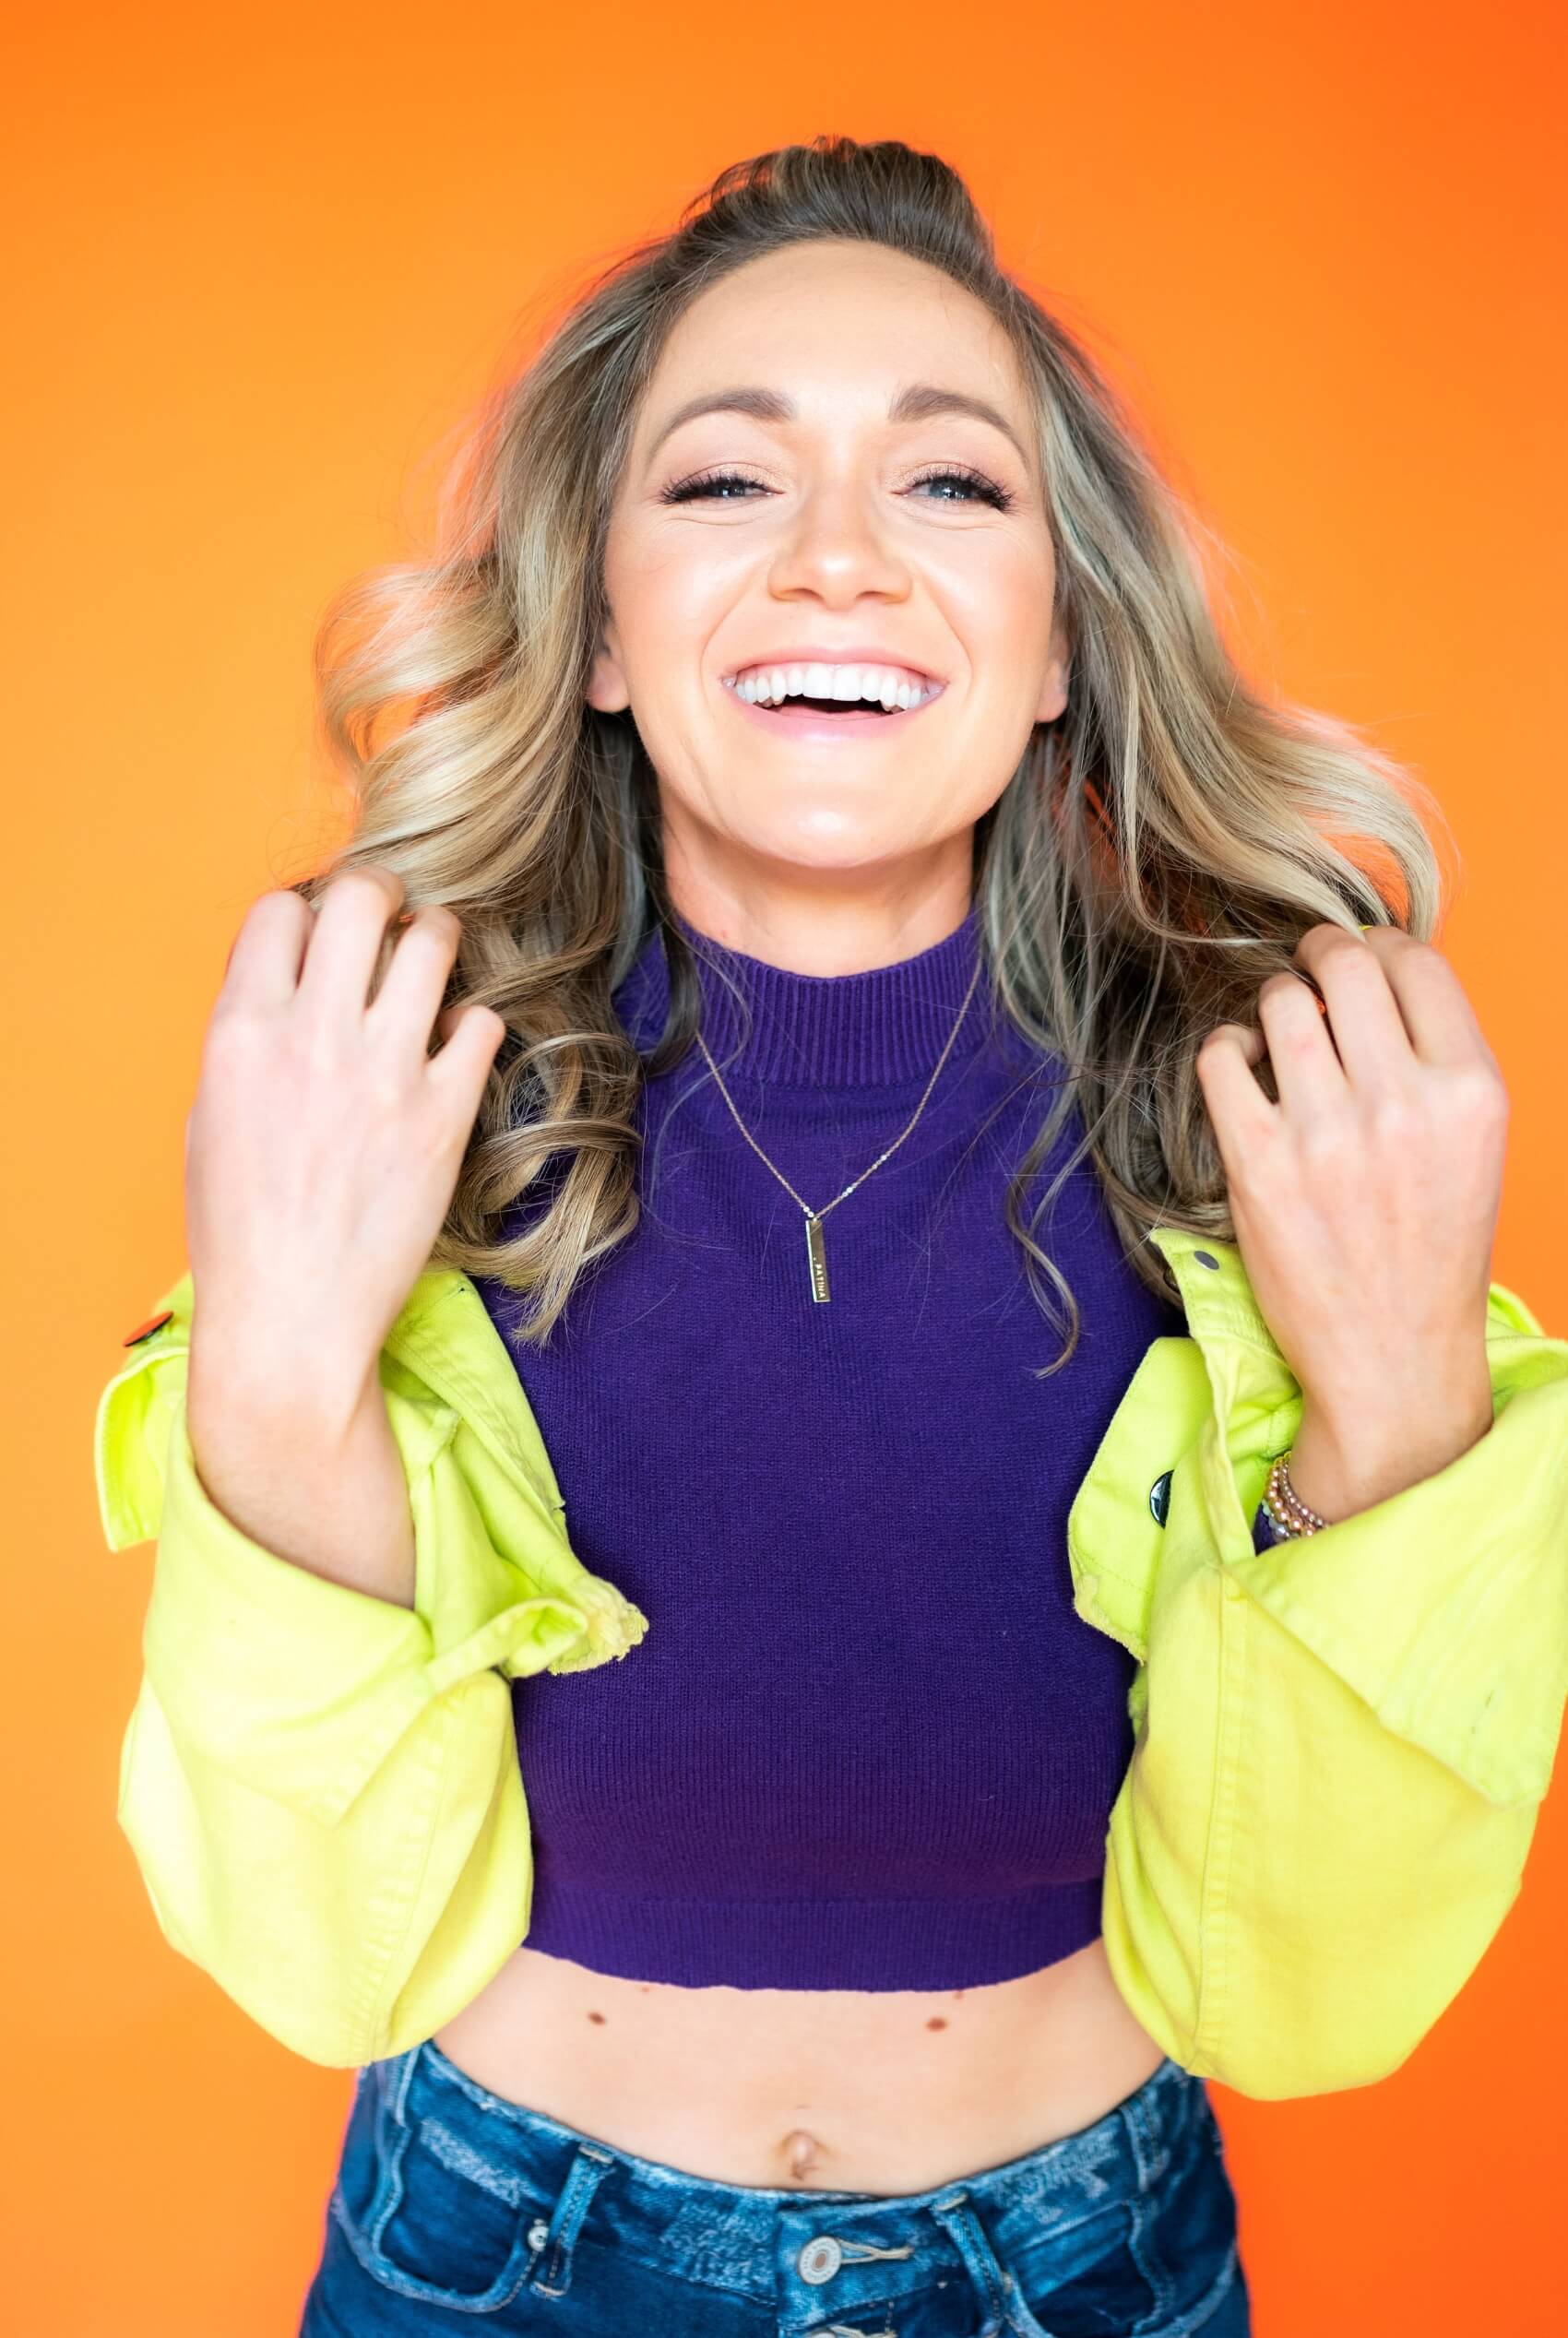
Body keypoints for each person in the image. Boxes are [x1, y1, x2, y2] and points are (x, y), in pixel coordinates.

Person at [96, 138, 1568, 2336]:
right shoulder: (381, 1106)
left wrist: (1400, 1401)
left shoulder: (1282, 1134)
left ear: (1058, 644)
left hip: (1091, 2264)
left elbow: (1313, 1996)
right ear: (603, 633)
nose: (841, 558)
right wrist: (277, 1368)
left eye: (951, 483)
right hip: (489, 2260)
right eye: (725, 480)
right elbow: (315, 1961)